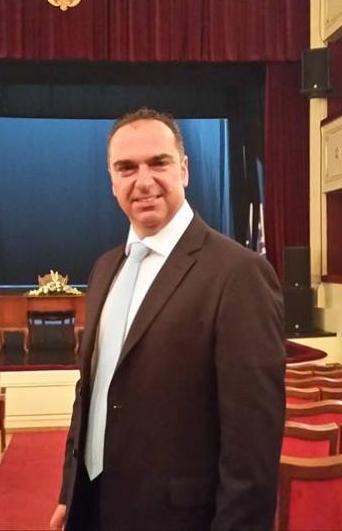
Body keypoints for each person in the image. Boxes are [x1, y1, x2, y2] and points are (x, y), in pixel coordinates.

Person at [49, 108, 285, 530]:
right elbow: (91, 392)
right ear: (111, 181)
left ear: (184, 170)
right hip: (93, 508)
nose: (143, 181)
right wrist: (72, 493)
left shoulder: (239, 273)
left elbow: (252, 445)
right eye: (126, 168)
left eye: (158, 163)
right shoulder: (105, 268)